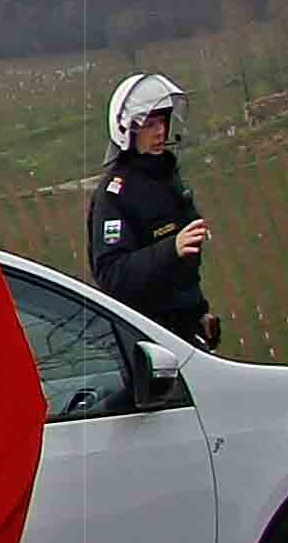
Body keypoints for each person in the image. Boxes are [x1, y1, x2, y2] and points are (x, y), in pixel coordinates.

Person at [93, 74, 223, 351]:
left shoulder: (168, 178)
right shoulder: (114, 195)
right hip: (149, 343)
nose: (160, 132)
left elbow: (184, 274)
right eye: (150, 124)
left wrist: (198, 314)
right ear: (127, 132)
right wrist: (171, 248)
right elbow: (111, 275)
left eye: (162, 121)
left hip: (188, 337)